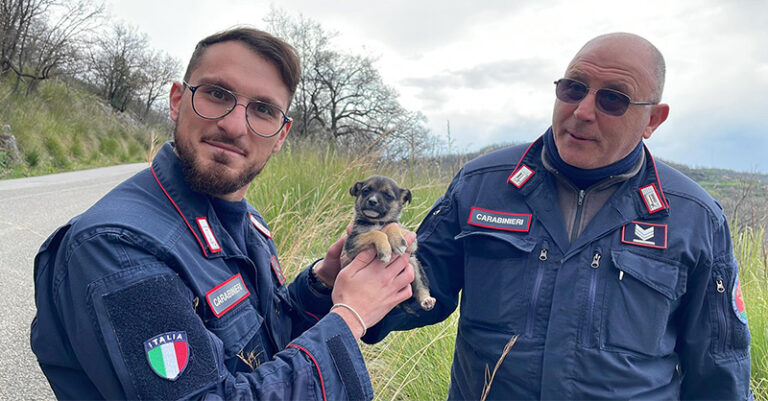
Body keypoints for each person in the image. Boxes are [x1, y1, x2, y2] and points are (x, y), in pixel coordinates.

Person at [30, 27, 416, 400]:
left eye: (263, 110)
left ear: (281, 134)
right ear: (177, 100)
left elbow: (263, 346)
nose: (234, 126)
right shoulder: (117, 249)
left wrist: (321, 287)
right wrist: (349, 316)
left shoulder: (248, 224)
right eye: (217, 94)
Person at [363, 32, 753, 400]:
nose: (582, 111)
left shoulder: (694, 217)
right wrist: (336, 288)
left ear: (653, 119)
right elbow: (414, 286)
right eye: (573, 88)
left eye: (613, 100)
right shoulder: (481, 186)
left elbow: (719, 368)